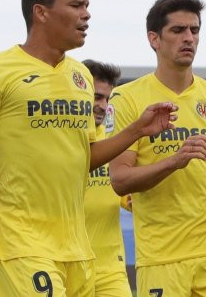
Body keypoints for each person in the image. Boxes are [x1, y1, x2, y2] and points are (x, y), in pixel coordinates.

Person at [0, 0, 177, 297]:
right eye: (76, 5)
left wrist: (137, 130)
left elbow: (86, 157)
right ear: (41, 12)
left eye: (87, 5)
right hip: (18, 242)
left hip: (76, 247)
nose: (87, 14)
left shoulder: (80, 77)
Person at [108, 0, 206, 297]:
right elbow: (120, 179)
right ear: (154, 39)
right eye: (178, 31)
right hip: (162, 255)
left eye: (194, 30)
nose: (189, 38)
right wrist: (174, 161)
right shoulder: (127, 99)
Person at [82, 59, 132, 297]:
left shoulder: (117, 140)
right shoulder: (58, 139)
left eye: (106, 99)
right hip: (67, 263)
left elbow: (124, 189)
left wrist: (133, 199)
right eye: (96, 97)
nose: (102, 105)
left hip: (110, 266)